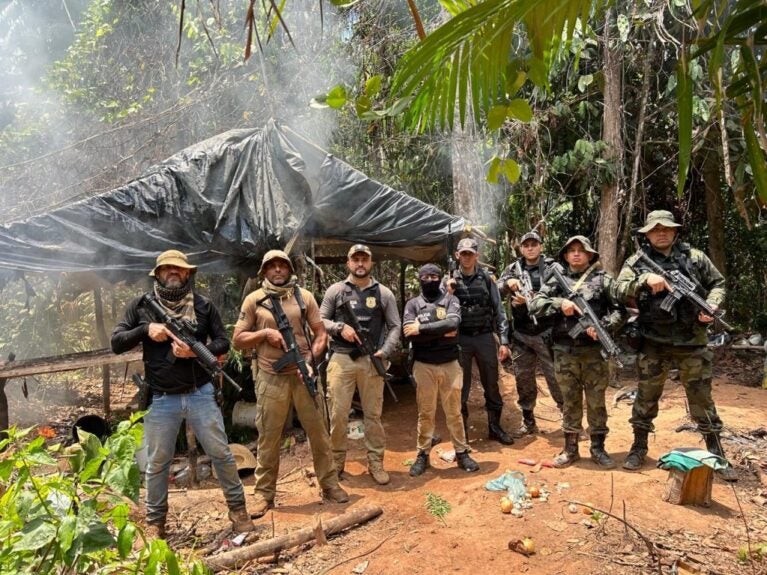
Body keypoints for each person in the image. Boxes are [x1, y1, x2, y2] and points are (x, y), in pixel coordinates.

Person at [110, 250, 255, 539]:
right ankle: (155, 523)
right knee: (157, 462)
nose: (173, 273)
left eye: (179, 269)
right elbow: (116, 342)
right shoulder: (141, 307)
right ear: (158, 273)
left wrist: (193, 351)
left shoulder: (202, 306)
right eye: (167, 269)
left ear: (188, 274)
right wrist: (145, 329)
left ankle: (239, 513)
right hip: (161, 398)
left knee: (221, 455)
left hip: (200, 393)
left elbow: (224, 342)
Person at [616, 210, 738, 481]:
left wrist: (713, 304)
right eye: (656, 229)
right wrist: (643, 280)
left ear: (675, 231)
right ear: (646, 233)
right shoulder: (637, 262)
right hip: (653, 342)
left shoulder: (694, 258)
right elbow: (617, 289)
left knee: (701, 399)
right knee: (646, 397)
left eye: (667, 228)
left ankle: (717, 453)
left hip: (692, 341)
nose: (662, 233)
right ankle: (638, 448)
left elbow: (718, 283)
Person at [233, 250, 349, 516]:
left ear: (289, 269)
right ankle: (264, 495)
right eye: (271, 266)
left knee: (319, 433)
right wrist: (264, 333)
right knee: (269, 437)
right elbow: (237, 339)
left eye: (282, 266)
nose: (277, 270)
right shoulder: (254, 300)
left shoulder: (303, 296)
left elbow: (321, 335)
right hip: (270, 377)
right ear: (264, 271)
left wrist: (309, 361)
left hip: (302, 375)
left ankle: (330, 485)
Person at [529, 236, 625, 469]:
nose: (576, 254)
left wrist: (604, 326)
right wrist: (559, 303)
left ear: (590, 255)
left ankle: (598, 448)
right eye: (571, 250)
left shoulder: (603, 281)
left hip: (594, 353)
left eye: (581, 251)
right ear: (565, 255)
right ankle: (570, 449)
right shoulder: (555, 281)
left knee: (596, 401)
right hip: (565, 351)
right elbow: (534, 305)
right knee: (570, 400)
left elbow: (620, 311)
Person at [320, 244, 401, 485]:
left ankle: (375, 462)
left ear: (371, 263)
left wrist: (385, 351)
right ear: (348, 263)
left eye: (364, 259)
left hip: (371, 360)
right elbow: (320, 320)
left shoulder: (383, 293)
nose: (360, 264)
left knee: (373, 416)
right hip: (341, 359)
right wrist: (339, 327)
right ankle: (336, 463)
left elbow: (395, 325)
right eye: (355, 259)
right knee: (337, 414)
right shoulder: (336, 291)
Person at [403, 263, 480, 477]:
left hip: (450, 364)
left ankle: (462, 452)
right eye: (425, 276)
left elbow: (453, 325)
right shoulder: (413, 304)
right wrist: (439, 329)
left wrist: (422, 329)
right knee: (425, 413)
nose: (430, 280)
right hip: (423, 365)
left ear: (440, 278)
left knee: (454, 412)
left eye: (434, 276)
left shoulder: (450, 300)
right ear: (419, 279)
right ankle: (422, 455)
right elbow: (408, 333)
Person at [448, 237, 513, 445]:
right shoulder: (448, 280)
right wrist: (447, 292)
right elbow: (439, 309)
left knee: (491, 384)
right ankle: (462, 433)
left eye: (470, 253)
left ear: (477, 255)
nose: (466, 257)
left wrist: (503, 341)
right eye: (463, 253)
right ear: (457, 255)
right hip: (461, 339)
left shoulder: (486, 279)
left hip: (484, 337)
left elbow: (499, 310)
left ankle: (495, 427)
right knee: (460, 387)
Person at [498, 231, 563, 436]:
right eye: (526, 245)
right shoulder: (512, 269)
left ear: (541, 246)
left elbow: (565, 293)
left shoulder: (554, 267)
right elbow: (495, 290)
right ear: (521, 248)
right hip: (522, 333)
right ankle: (528, 421)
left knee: (556, 377)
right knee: (523, 378)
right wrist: (508, 284)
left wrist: (533, 300)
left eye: (534, 244)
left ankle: (568, 418)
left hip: (548, 332)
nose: (530, 248)